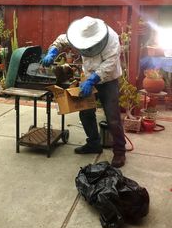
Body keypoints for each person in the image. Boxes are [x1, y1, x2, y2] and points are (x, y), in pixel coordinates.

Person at [42, 16, 126, 168]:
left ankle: (120, 151)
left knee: (112, 117)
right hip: (87, 76)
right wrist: (52, 51)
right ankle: (93, 143)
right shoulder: (78, 33)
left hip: (108, 80)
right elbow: (62, 40)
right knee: (85, 111)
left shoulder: (111, 39)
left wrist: (93, 79)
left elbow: (110, 63)